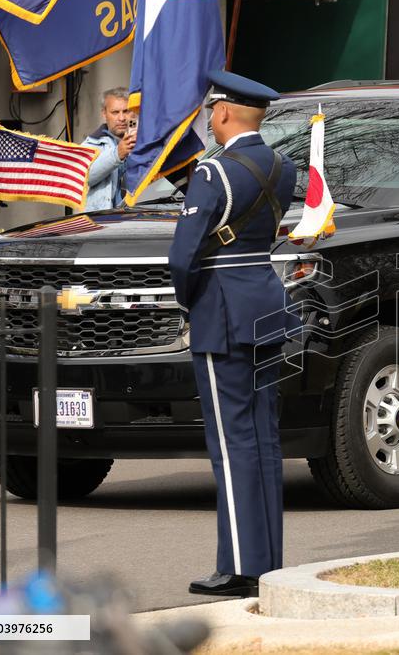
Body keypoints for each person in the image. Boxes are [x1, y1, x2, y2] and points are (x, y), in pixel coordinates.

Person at [168, 70, 298, 597]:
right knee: (264, 435)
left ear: (222, 114)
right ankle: (267, 560)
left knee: (231, 440)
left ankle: (242, 566)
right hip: (267, 301)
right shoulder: (283, 167)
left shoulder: (213, 173)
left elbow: (184, 257)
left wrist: (187, 302)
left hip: (222, 310)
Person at [81, 87, 136, 212]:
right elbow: (84, 179)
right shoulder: (91, 143)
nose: (121, 118)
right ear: (104, 114)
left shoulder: (144, 141)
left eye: (126, 111)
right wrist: (117, 154)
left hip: (141, 217)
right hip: (104, 223)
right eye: (115, 112)